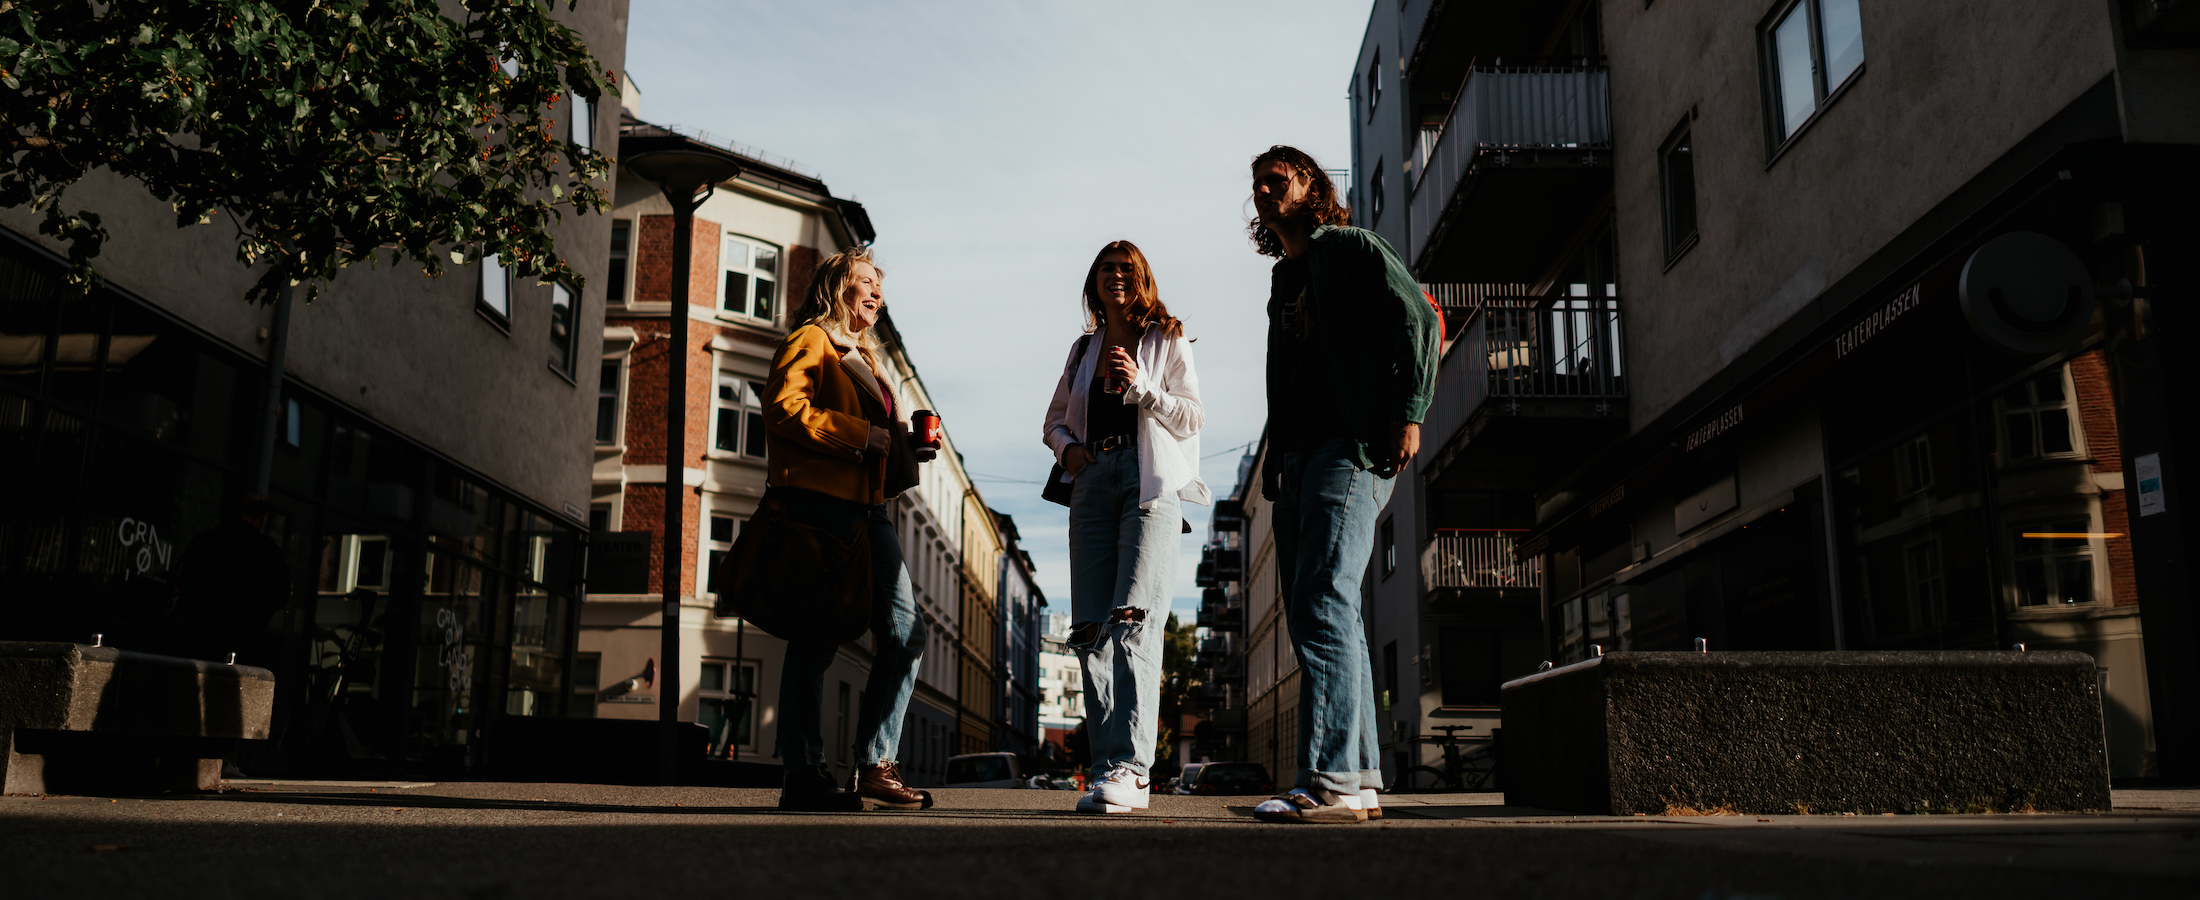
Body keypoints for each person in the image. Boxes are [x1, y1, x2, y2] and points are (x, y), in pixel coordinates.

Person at [1242, 146, 1440, 824]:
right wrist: (1274, 457)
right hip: (1298, 456)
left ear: (1309, 186)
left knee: (1324, 597)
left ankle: (1323, 780)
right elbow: (1283, 374)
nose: (1265, 191)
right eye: (1258, 184)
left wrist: (1409, 411)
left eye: (1279, 179)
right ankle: (1357, 779)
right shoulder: (1283, 279)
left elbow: (1419, 316)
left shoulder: (1350, 247)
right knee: (1324, 612)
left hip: (1350, 447)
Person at [761, 247, 931, 812]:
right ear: (837, 288)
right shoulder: (812, 340)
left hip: (866, 509)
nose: (876, 291)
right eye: (864, 281)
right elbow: (784, 407)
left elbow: (877, 443)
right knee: (817, 635)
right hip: (821, 505)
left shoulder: (868, 357)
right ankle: (803, 773)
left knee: (906, 630)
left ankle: (874, 764)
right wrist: (860, 435)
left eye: (879, 283)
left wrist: (908, 444)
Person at [1042, 240, 1208, 814]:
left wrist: (1142, 387)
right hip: (1093, 479)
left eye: (1126, 268)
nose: (1116, 275)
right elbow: (1055, 421)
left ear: (1142, 279)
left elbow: (1193, 415)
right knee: (1089, 627)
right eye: (1106, 268)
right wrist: (1071, 455)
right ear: (1094, 281)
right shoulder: (1083, 347)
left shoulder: (1167, 335)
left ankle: (1134, 771)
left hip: (1148, 479)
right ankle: (1107, 766)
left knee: (1135, 615)